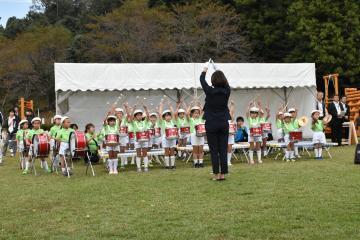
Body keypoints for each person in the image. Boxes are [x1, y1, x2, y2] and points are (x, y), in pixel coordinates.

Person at [200, 60, 230, 181]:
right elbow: (226, 82)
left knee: (214, 150)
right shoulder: (227, 91)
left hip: (211, 122)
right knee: (223, 149)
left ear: (213, 81)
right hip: (223, 122)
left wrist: (205, 68)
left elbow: (202, 80)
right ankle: (223, 174)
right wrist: (216, 68)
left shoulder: (210, 91)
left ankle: (216, 174)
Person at [126, 105, 150, 173]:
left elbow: (148, 117)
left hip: (144, 140)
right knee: (138, 154)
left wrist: (146, 109)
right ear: (135, 117)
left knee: (145, 153)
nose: (139, 116)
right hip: (137, 140)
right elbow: (130, 118)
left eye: (140, 115)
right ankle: (139, 168)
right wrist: (133, 109)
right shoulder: (134, 123)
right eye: (137, 115)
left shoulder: (144, 122)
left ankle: (146, 167)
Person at [159, 100, 177, 169]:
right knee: (166, 151)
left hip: (172, 138)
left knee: (172, 151)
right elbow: (160, 114)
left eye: (169, 115)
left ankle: (172, 165)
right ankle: (167, 165)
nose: (168, 117)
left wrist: (170, 106)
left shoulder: (173, 121)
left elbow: (173, 113)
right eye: (166, 116)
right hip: (165, 138)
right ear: (164, 117)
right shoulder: (162, 122)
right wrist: (161, 105)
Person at [227, 101, 235, 166]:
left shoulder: (230, 119)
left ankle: (228, 161)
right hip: (223, 134)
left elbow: (232, 112)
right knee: (223, 148)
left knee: (229, 147)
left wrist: (232, 105)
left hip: (230, 134)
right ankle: (223, 161)